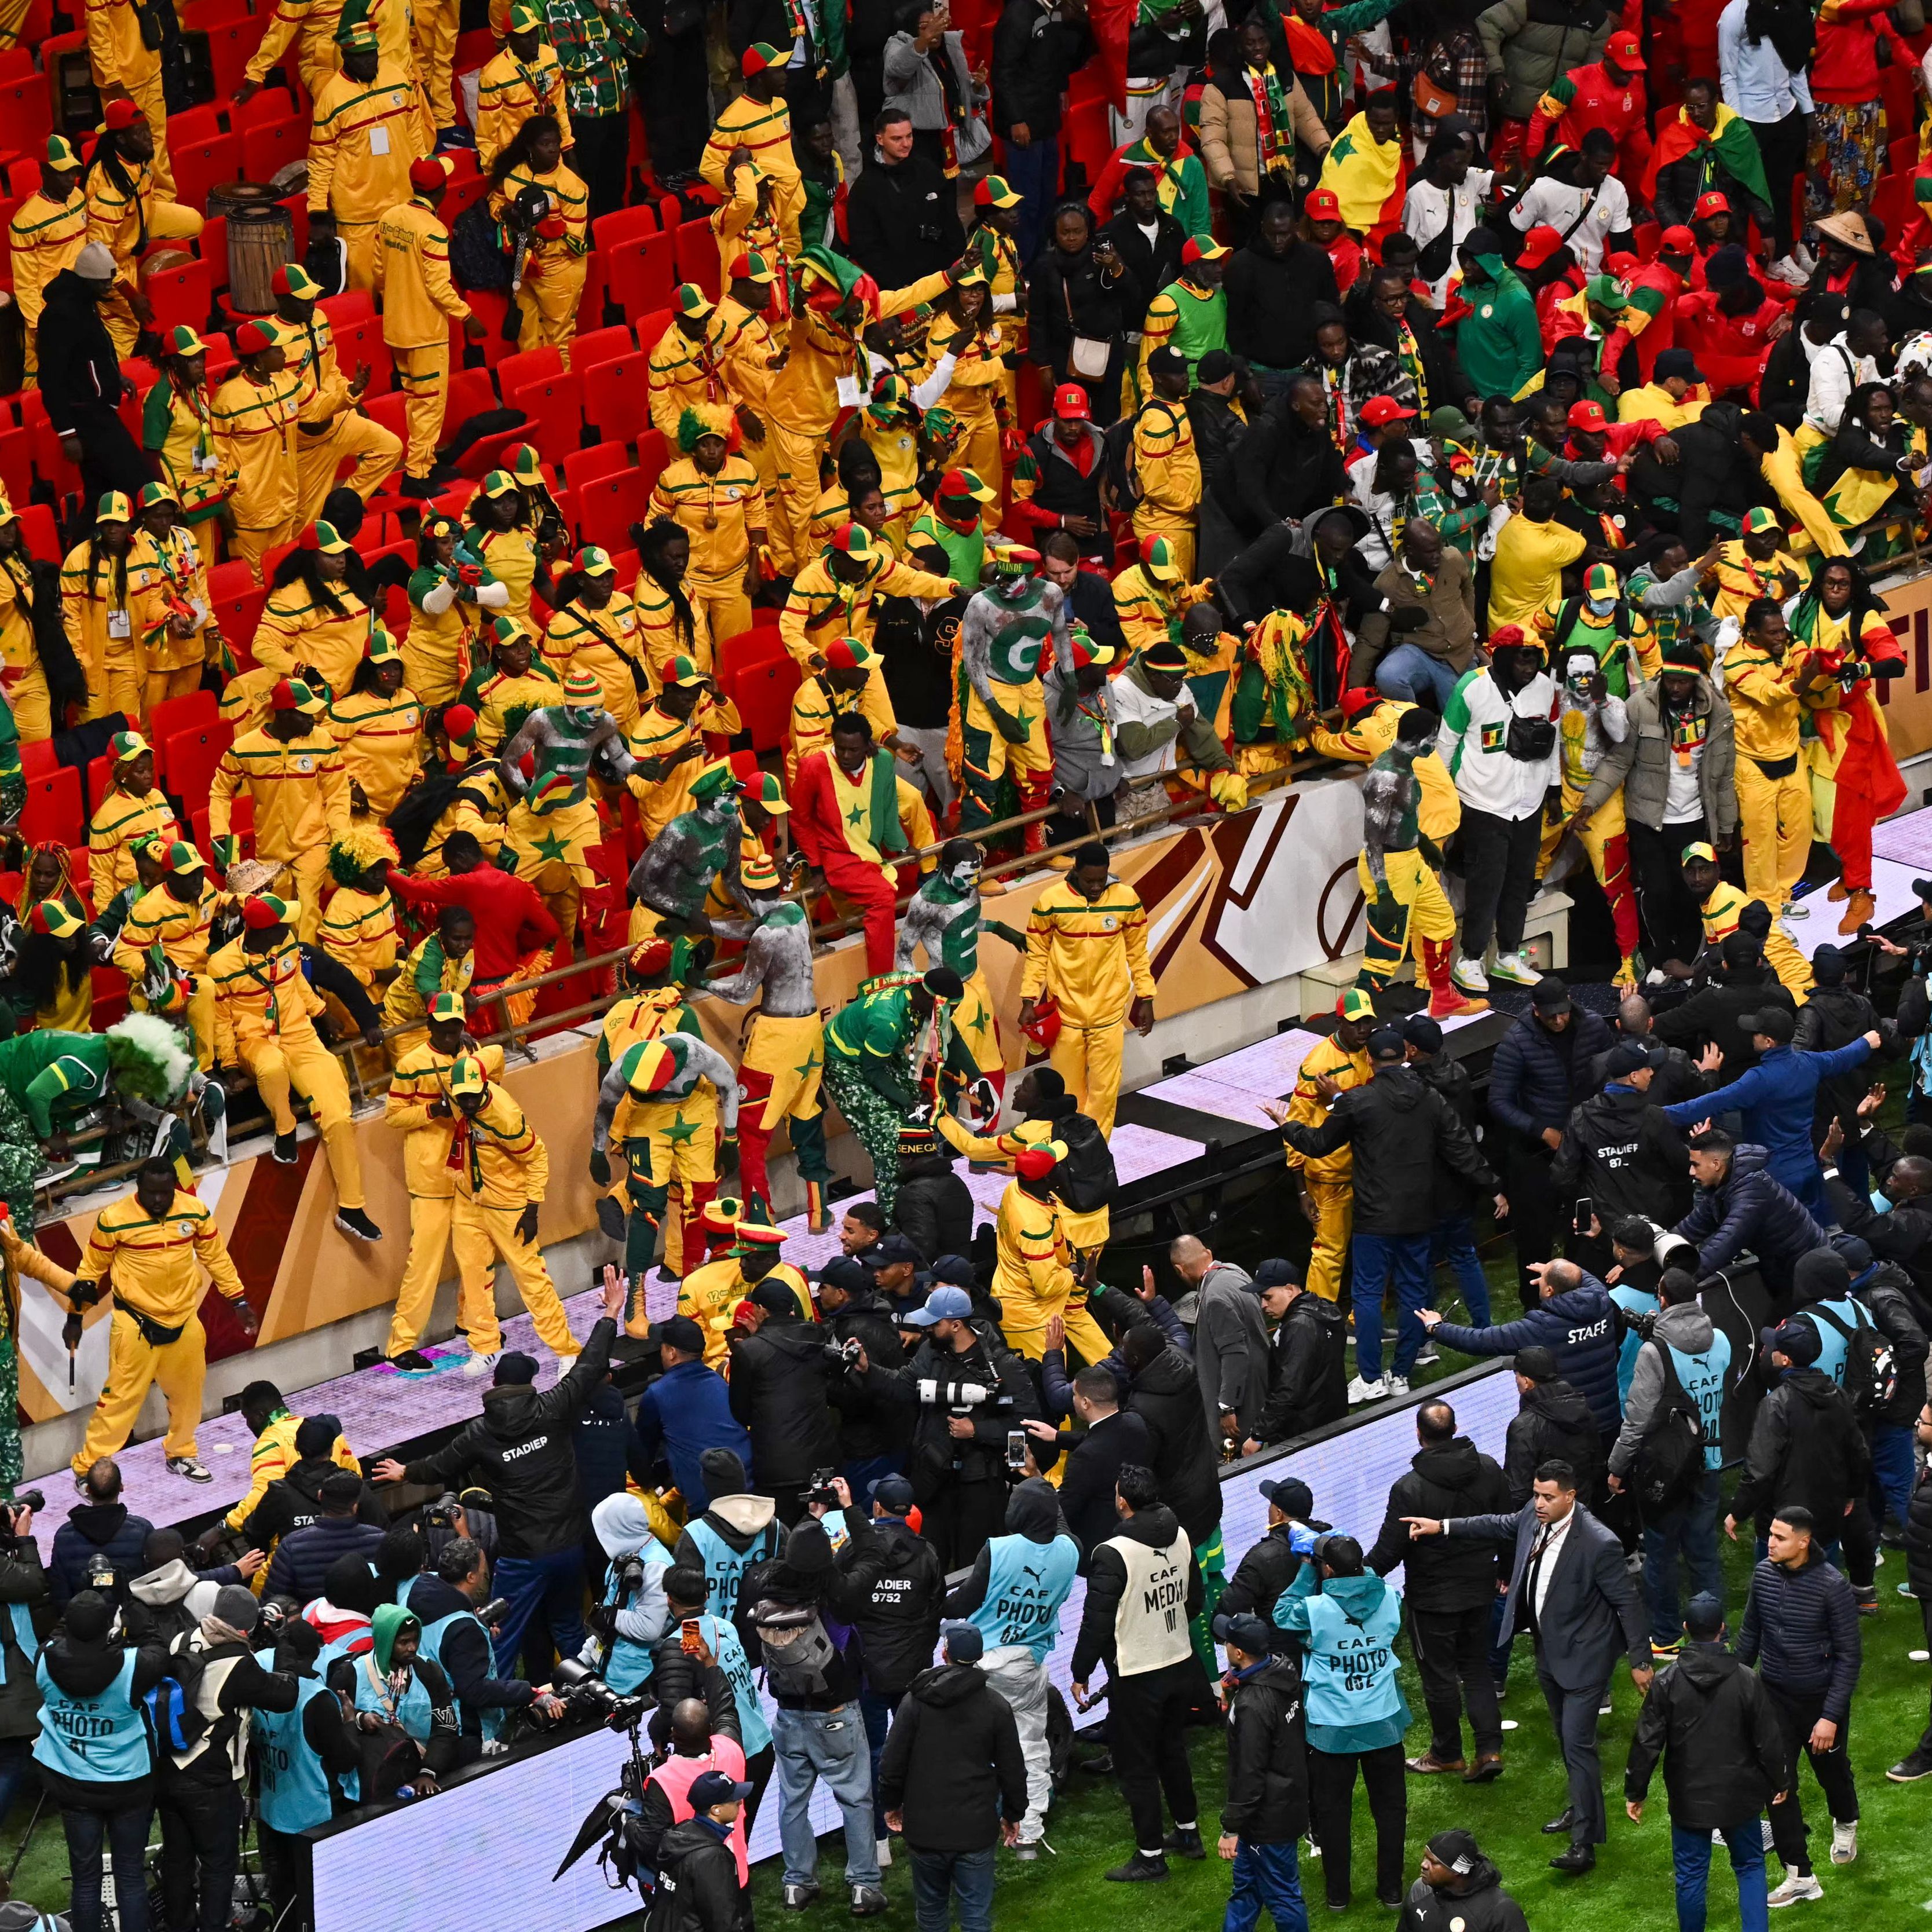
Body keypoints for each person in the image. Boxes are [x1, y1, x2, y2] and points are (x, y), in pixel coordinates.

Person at [372, 1268, 625, 1677]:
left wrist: (404, 1472)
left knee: (503, 1634)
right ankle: (591, 1698)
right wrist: (612, 1311)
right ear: (530, 1384)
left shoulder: (480, 1434)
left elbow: (440, 1466)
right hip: (568, 1547)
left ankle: (498, 1725)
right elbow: (591, 1364)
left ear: (494, 1383)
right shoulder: (553, 1407)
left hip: (524, 1556)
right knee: (568, 1627)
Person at [1405, 1461, 1654, 1874]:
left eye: (1547, 1497)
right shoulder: (1533, 1517)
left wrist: (1641, 1660)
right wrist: (1442, 1526)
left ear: (1570, 1497)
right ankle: (1580, 1807)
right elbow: (1495, 1522)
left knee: (1577, 1745)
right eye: (1536, 1494)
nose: (1538, 1503)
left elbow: (1627, 1602)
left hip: (1585, 1658)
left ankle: (1584, 1846)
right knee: (1568, 1740)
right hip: (1548, 1653)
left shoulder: (1598, 1542)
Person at [26, 1158, 256, 1484]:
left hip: (184, 1320)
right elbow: (90, 1273)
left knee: (188, 1396)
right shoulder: (114, 1219)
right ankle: (88, 1468)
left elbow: (217, 1257)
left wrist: (239, 1300)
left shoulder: (195, 1211)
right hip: (135, 1325)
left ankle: (182, 1454)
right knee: (119, 1402)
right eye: (151, 1193)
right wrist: (75, 1318)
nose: (159, 1200)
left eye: (165, 1193)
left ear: (174, 1187)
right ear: (139, 1188)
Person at [741, 1517, 889, 1915]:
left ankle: (797, 1884)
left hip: (788, 1713)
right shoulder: (836, 1594)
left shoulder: (761, 1584)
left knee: (792, 1802)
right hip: (837, 1712)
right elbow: (873, 1558)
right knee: (856, 1800)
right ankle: (864, 1886)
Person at [1070, 1462, 1203, 1883]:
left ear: (1123, 1502)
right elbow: (1194, 1600)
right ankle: (1188, 1834)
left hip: (1138, 1674)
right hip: (1180, 1660)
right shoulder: (1180, 1534)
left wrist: (1081, 1670)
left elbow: (1097, 1621)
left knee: (1137, 1765)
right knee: (1172, 1751)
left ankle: (1150, 1856)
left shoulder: (1112, 1553)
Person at [1624, 1590, 1785, 1932]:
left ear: (1685, 1629)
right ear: (1723, 1629)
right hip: (1740, 1795)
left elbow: (1647, 1741)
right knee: (1751, 1867)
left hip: (1689, 1798)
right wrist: (1780, 1781)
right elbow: (1768, 1740)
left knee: (1691, 1875)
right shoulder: (1746, 1679)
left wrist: (1636, 1792)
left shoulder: (1667, 1683)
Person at [1366, 1400, 1510, 1779]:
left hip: (1432, 1602)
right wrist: (1506, 1571)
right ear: (1454, 1427)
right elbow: (1507, 1524)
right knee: (1477, 1668)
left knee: (1440, 1677)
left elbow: (1388, 1553)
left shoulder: (1409, 1488)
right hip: (1481, 1589)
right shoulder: (1490, 1468)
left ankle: (1448, 1753)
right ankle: (1490, 1750)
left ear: (1419, 1434)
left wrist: (1349, 1573)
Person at [1272, 1532, 1410, 1913]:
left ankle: (1338, 1896)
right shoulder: (1390, 1598)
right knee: (1391, 1811)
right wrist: (1355, 1573)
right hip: (1383, 1722)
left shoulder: (1315, 1610)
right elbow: (1376, 1595)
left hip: (1332, 1730)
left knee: (1333, 1815)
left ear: (1326, 1569)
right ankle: (1392, 1891)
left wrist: (1305, 1570)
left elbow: (1282, 1613)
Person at [1733, 1507, 1863, 1901]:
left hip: (1821, 1702)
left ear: (1804, 1542)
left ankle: (1846, 1822)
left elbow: (1849, 1656)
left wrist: (1829, 1717)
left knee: (1832, 1773)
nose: (1769, 1542)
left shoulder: (1832, 1585)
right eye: (1770, 1535)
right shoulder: (1764, 1574)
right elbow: (1751, 1632)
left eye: (1779, 1537)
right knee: (1778, 1783)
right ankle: (1800, 1875)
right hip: (1774, 1699)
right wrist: (1735, 1685)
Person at [158, 1584, 299, 1932]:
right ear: (247, 1627)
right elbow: (284, 1696)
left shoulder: (182, 1639)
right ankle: (213, 1926)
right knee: (219, 1863)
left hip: (169, 1766)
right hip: (211, 1776)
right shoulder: (240, 1662)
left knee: (178, 1858)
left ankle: (179, 1925)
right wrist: (285, 1648)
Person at [1607, 1267, 1734, 1652]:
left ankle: (1665, 1635)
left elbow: (1638, 1418)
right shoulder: (1722, 1340)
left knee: (1660, 1555)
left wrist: (1616, 1467)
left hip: (1667, 1469)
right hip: (1709, 1459)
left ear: (1662, 1300)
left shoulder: (1653, 1352)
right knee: (1703, 1551)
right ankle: (1714, 1633)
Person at [877, 1619, 1027, 1930]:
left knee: (931, 1913)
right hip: (975, 1829)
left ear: (945, 1653)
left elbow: (892, 1763)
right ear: (979, 1657)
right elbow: (1013, 1769)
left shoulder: (915, 1702)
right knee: (975, 1917)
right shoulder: (996, 1706)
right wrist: (1014, 1814)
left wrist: (890, 1805)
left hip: (925, 1830)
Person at [34, 1589, 169, 1932]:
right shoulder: (134, 1666)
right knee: (130, 1875)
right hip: (129, 1784)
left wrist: (81, 1596)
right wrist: (130, 1602)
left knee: (86, 1879)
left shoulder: (44, 1659)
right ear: (108, 1626)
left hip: (72, 1783)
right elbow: (157, 1646)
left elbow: (57, 1637)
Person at [1436, 630, 1561, 997]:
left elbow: (1552, 742)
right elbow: (1447, 745)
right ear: (1503, 656)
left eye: (1534, 659)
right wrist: (1445, 801)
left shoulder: (1545, 688)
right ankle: (1470, 960)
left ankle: (1509, 955)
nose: (1529, 667)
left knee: (1519, 883)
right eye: (1522, 658)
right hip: (1482, 803)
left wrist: (1553, 791)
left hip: (1529, 804)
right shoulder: (1471, 687)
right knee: (1485, 885)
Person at [1485, 975, 1614, 1304]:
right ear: (1535, 1010)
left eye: (1563, 1011)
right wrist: (1542, 1131)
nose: (1558, 1020)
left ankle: (1584, 1296)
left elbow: (1609, 1072)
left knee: (1584, 1224)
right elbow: (1498, 1101)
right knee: (1534, 1237)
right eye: (1550, 1014)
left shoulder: (1595, 1027)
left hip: (1584, 1147)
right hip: (1535, 1154)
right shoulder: (1515, 1042)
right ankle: (1535, 1309)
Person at [1019, 841, 1154, 1137]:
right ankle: (1070, 1147)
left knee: (1105, 1091)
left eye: (1102, 880)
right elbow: (1037, 953)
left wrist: (1146, 996)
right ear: (1074, 872)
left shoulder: (1127, 898)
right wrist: (1029, 999)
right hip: (1066, 1014)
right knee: (1069, 1091)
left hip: (1109, 1013)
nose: (1096, 887)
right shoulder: (1050, 901)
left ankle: (1096, 1147)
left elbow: (1138, 952)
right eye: (1089, 880)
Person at [1726, 1321, 1871, 1597]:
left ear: (1785, 1359)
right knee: (1822, 1595)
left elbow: (1760, 1469)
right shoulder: (1837, 1395)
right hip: (1827, 1516)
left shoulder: (1776, 1403)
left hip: (1783, 1522)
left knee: (1775, 1599)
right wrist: (1851, 1494)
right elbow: (1859, 1453)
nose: (1769, 1351)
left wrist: (1738, 1511)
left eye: (1775, 1348)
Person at [377, 158, 486, 495]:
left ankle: (424, 463)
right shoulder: (433, 230)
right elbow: (439, 287)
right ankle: (417, 476)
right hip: (425, 334)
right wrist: (468, 316)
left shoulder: (389, 218)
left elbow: (379, 272)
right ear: (440, 191)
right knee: (429, 404)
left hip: (396, 328)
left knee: (415, 400)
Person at [1214, 1608, 1309, 1932]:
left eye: (1227, 1641)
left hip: (1267, 1819)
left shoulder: (1253, 1704)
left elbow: (1250, 1771)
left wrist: (1232, 1828)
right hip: (1285, 1802)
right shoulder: (1283, 1672)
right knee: (1246, 1891)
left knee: (1282, 1897)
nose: (1224, 1645)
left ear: (1238, 1653)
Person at [726, 1280, 843, 1529]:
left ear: (761, 1310)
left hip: (776, 1467)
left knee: (786, 1542)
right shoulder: (816, 1336)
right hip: (822, 1460)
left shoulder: (749, 1351)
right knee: (830, 1535)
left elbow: (741, 1413)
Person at [1244, 1261, 1348, 1449]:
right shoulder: (1322, 1309)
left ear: (1289, 1289)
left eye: (1268, 1297)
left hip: (1305, 1433)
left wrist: (1259, 1434)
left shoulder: (1299, 1327)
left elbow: (1288, 1389)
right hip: (1331, 1420)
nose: (1263, 1305)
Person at [647, 1763, 753, 1931]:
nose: (740, 1802)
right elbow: (722, 1919)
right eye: (734, 1800)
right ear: (716, 1810)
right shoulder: (712, 1857)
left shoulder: (680, 1833)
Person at [1395, 1831, 1531, 1932]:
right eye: (1425, 1857)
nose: (1424, 1865)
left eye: (1434, 1862)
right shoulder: (1420, 1892)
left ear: (1457, 1871)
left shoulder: (1500, 1911)